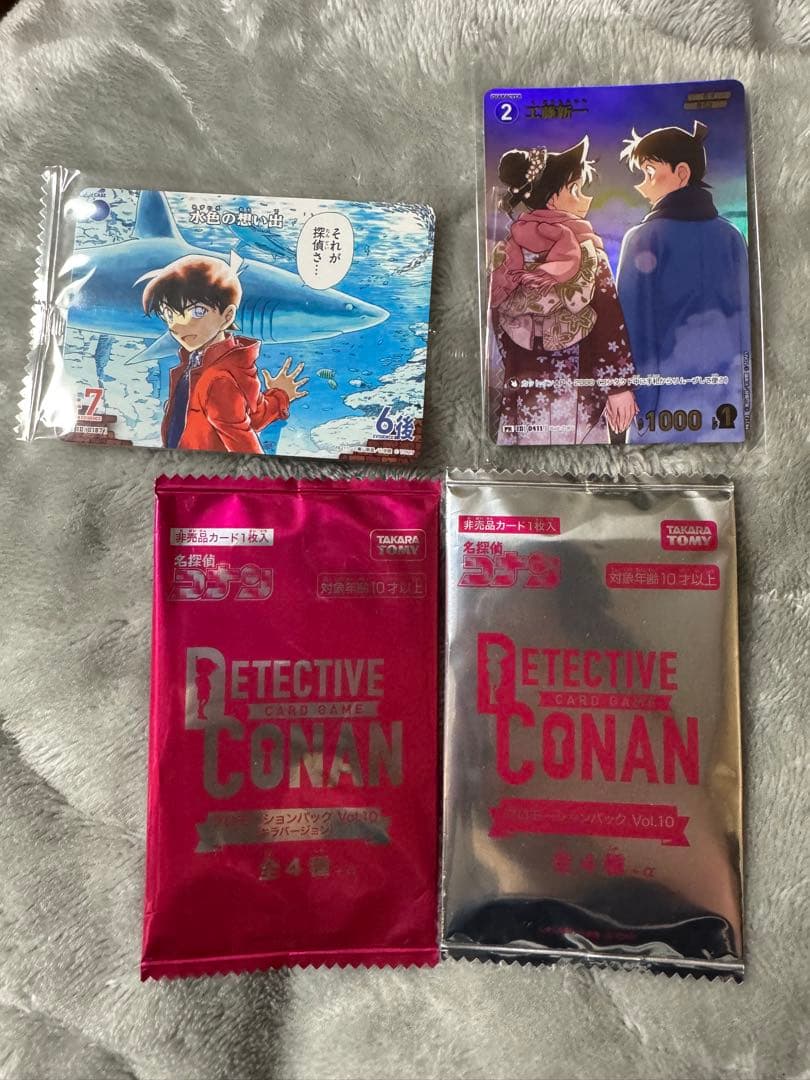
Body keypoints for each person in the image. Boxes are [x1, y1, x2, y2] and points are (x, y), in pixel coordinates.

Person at [489, 136, 637, 445]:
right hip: (580, 385)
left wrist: (523, 354)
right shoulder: (587, 252)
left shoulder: (508, 251)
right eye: (576, 189)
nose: (586, 198)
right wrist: (618, 385)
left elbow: (498, 319)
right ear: (553, 198)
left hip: (525, 385)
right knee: (581, 459)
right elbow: (608, 321)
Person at [616, 121, 750, 443]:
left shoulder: (643, 238)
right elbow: (746, 327)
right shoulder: (732, 237)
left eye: (650, 173)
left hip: (662, 404)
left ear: (682, 173)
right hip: (727, 403)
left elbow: (631, 328)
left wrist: (640, 404)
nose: (642, 186)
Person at [138, 253, 307, 452]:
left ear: (227, 316)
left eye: (197, 311)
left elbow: (246, 449)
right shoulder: (216, 363)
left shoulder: (218, 380)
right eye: (169, 314)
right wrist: (279, 397)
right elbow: (252, 416)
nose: (177, 325)